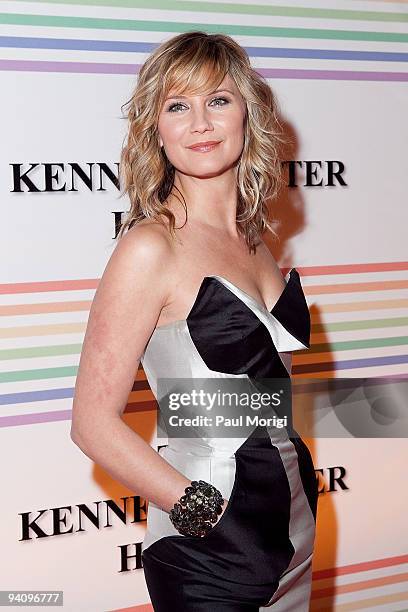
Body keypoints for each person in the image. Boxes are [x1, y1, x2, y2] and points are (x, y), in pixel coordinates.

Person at [71, 31, 318, 611]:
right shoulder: (150, 248)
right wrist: (202, 511)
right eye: (178, 105)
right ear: (155, 129)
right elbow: (91, 424)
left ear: (247, 113)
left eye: (219, 100)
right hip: (211, 548)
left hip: (295, 528)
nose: (201, 122)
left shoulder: (256, 244)